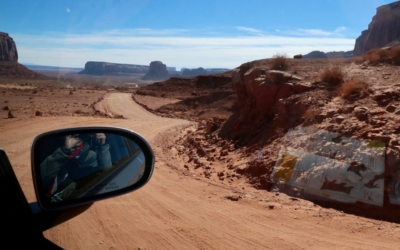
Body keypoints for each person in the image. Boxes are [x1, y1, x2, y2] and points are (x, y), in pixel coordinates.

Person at [40, 133, 112, 202]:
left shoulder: (90, 156)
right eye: (72, 132)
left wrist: (103, 146)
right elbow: (42, 177)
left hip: (63, 198)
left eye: (81, 133)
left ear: (86, 136)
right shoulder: (51, 147)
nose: (76, 135)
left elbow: (107, 173)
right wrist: (64, 150)